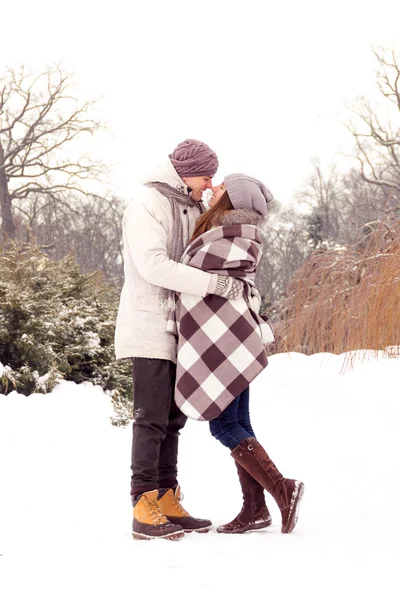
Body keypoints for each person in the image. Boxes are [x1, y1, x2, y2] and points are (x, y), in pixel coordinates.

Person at [115, 140, 245, 541]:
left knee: (173, 420)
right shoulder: (148, 204)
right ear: (187, 171)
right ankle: (142, 504)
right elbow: (153, 265)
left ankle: (167, 498)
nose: (209, 184)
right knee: (151, 418)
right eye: (206, 175)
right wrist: (214, 284)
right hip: (149, 324)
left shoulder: (190, 206)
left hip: (182, 330)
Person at [169, 174, 305, 535]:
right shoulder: (235, 234)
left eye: (222, 186)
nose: (213, 188)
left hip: (226, 339)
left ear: (232, 199)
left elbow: (190, 278)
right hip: (235, 340)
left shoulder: (228, 236)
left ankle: (282, 489)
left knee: (224, 425)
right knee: (239, 424)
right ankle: (255, 509)